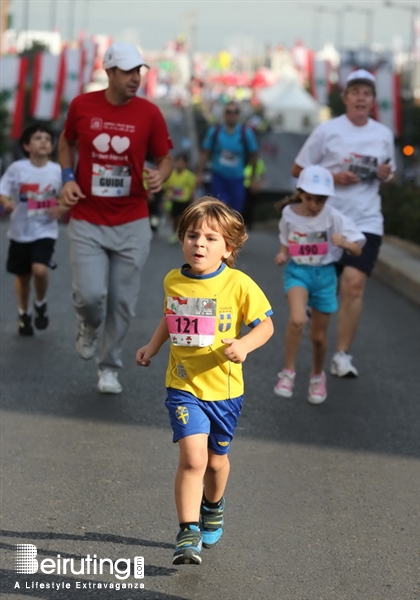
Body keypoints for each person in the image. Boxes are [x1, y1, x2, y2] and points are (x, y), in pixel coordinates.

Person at [135, 197, 274, 565]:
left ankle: (213, 505)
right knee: (193, 458)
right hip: (183, 386)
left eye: (211, 238)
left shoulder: (239, 284)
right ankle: (187, 531)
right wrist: (152, 346)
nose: (200, 243)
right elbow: (171, 316)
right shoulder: (174, 280)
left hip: (226, 391)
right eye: (193, 235)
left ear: (228, 248)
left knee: (215, 463)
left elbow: (266, 326)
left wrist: (244, 344)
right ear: (182, 240)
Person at [58, 42, 173, 394]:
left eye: (138, 71)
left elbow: (165, 157)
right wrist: (66, 178)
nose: (135, 78)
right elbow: (66, 143)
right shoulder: (82, 105)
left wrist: (161, 175)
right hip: (88, 216)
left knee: (122, 301)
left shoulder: (150, 113)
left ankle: (109, 367)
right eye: (127, 72)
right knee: (91, 295)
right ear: (109, 73)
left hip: (132, 219)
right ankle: (88, 325)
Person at [291, 69, 396, 378]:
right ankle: (314, 309)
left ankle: (342, 355)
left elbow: (388, 174)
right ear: (345, 98)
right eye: (355, 92)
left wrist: (383, 175)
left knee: (354, 283)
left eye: (367, 93)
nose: (361, 98)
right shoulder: (328, 131)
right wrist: (332, 177)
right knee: (326, 286)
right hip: (327, 219)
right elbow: (299, 169)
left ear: (373, 100)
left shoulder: (383, 134)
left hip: (366, 220)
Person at [274, 166, 366, 404]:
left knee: (318, 336)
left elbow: (358, 248)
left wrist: (344, 242)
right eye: (309, 198)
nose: (315, 204)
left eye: (321, 199)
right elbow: (286, 242)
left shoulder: (333, 217)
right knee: (297, 320)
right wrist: (283, 255)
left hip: (325, 276)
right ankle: (288, 372)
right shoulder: (289, 214)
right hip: (298, 273)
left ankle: (317, 375)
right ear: (300, 192)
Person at [0, 123, 67, 336]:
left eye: (48, 139)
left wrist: (62, 208)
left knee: (39, 269)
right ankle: (23, 312)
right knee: (23, 277)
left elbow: (70, 196)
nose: (44, 142)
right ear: (27, 145)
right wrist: (7, 202)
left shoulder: (58, 171)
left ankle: (40, 303)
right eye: (38, 138)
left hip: (45, 230)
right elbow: (3, 191)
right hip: (20, 232)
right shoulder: (17, 169)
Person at [196, 102, 259, 214]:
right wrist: (199, 173)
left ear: (238, 115)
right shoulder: (215, 131)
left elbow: (254, 155)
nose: (232, 115)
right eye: (228, 112)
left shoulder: (246, 133)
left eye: (235, 112)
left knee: (236, 212)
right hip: (218, 177)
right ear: (224, 114)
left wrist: (254, 178)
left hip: (237, 178)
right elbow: (205, 152)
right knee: (219, 210)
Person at [163, 152, 197, 243]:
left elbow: (193, 188)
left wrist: (192, 199)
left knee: (181, 218)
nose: (179, 164)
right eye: (177, 162)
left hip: (184, 201)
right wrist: (166, 197)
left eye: (181, 162)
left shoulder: (189, 176)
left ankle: (182, 233)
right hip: (173, 200)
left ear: (186, 164)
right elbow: (167, 186)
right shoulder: (171, 174)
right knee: (174, 218)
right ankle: (174, 233)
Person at [242, 156, 266, 230]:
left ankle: (249, 224)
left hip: (253, 187)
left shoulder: (259, 163)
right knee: (243, 205)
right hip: (243, 186)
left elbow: (262, 175)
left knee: (250, 206)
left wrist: (259, 185)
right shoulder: (243, 161)